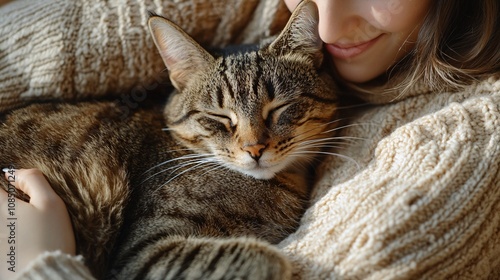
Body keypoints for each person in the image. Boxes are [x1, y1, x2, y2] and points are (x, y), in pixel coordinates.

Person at [0, 0, 498, 279]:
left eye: (278, 114)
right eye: (220, 122)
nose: (253, 144)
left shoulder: (458, 135)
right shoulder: (170, 162)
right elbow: (144, 263)